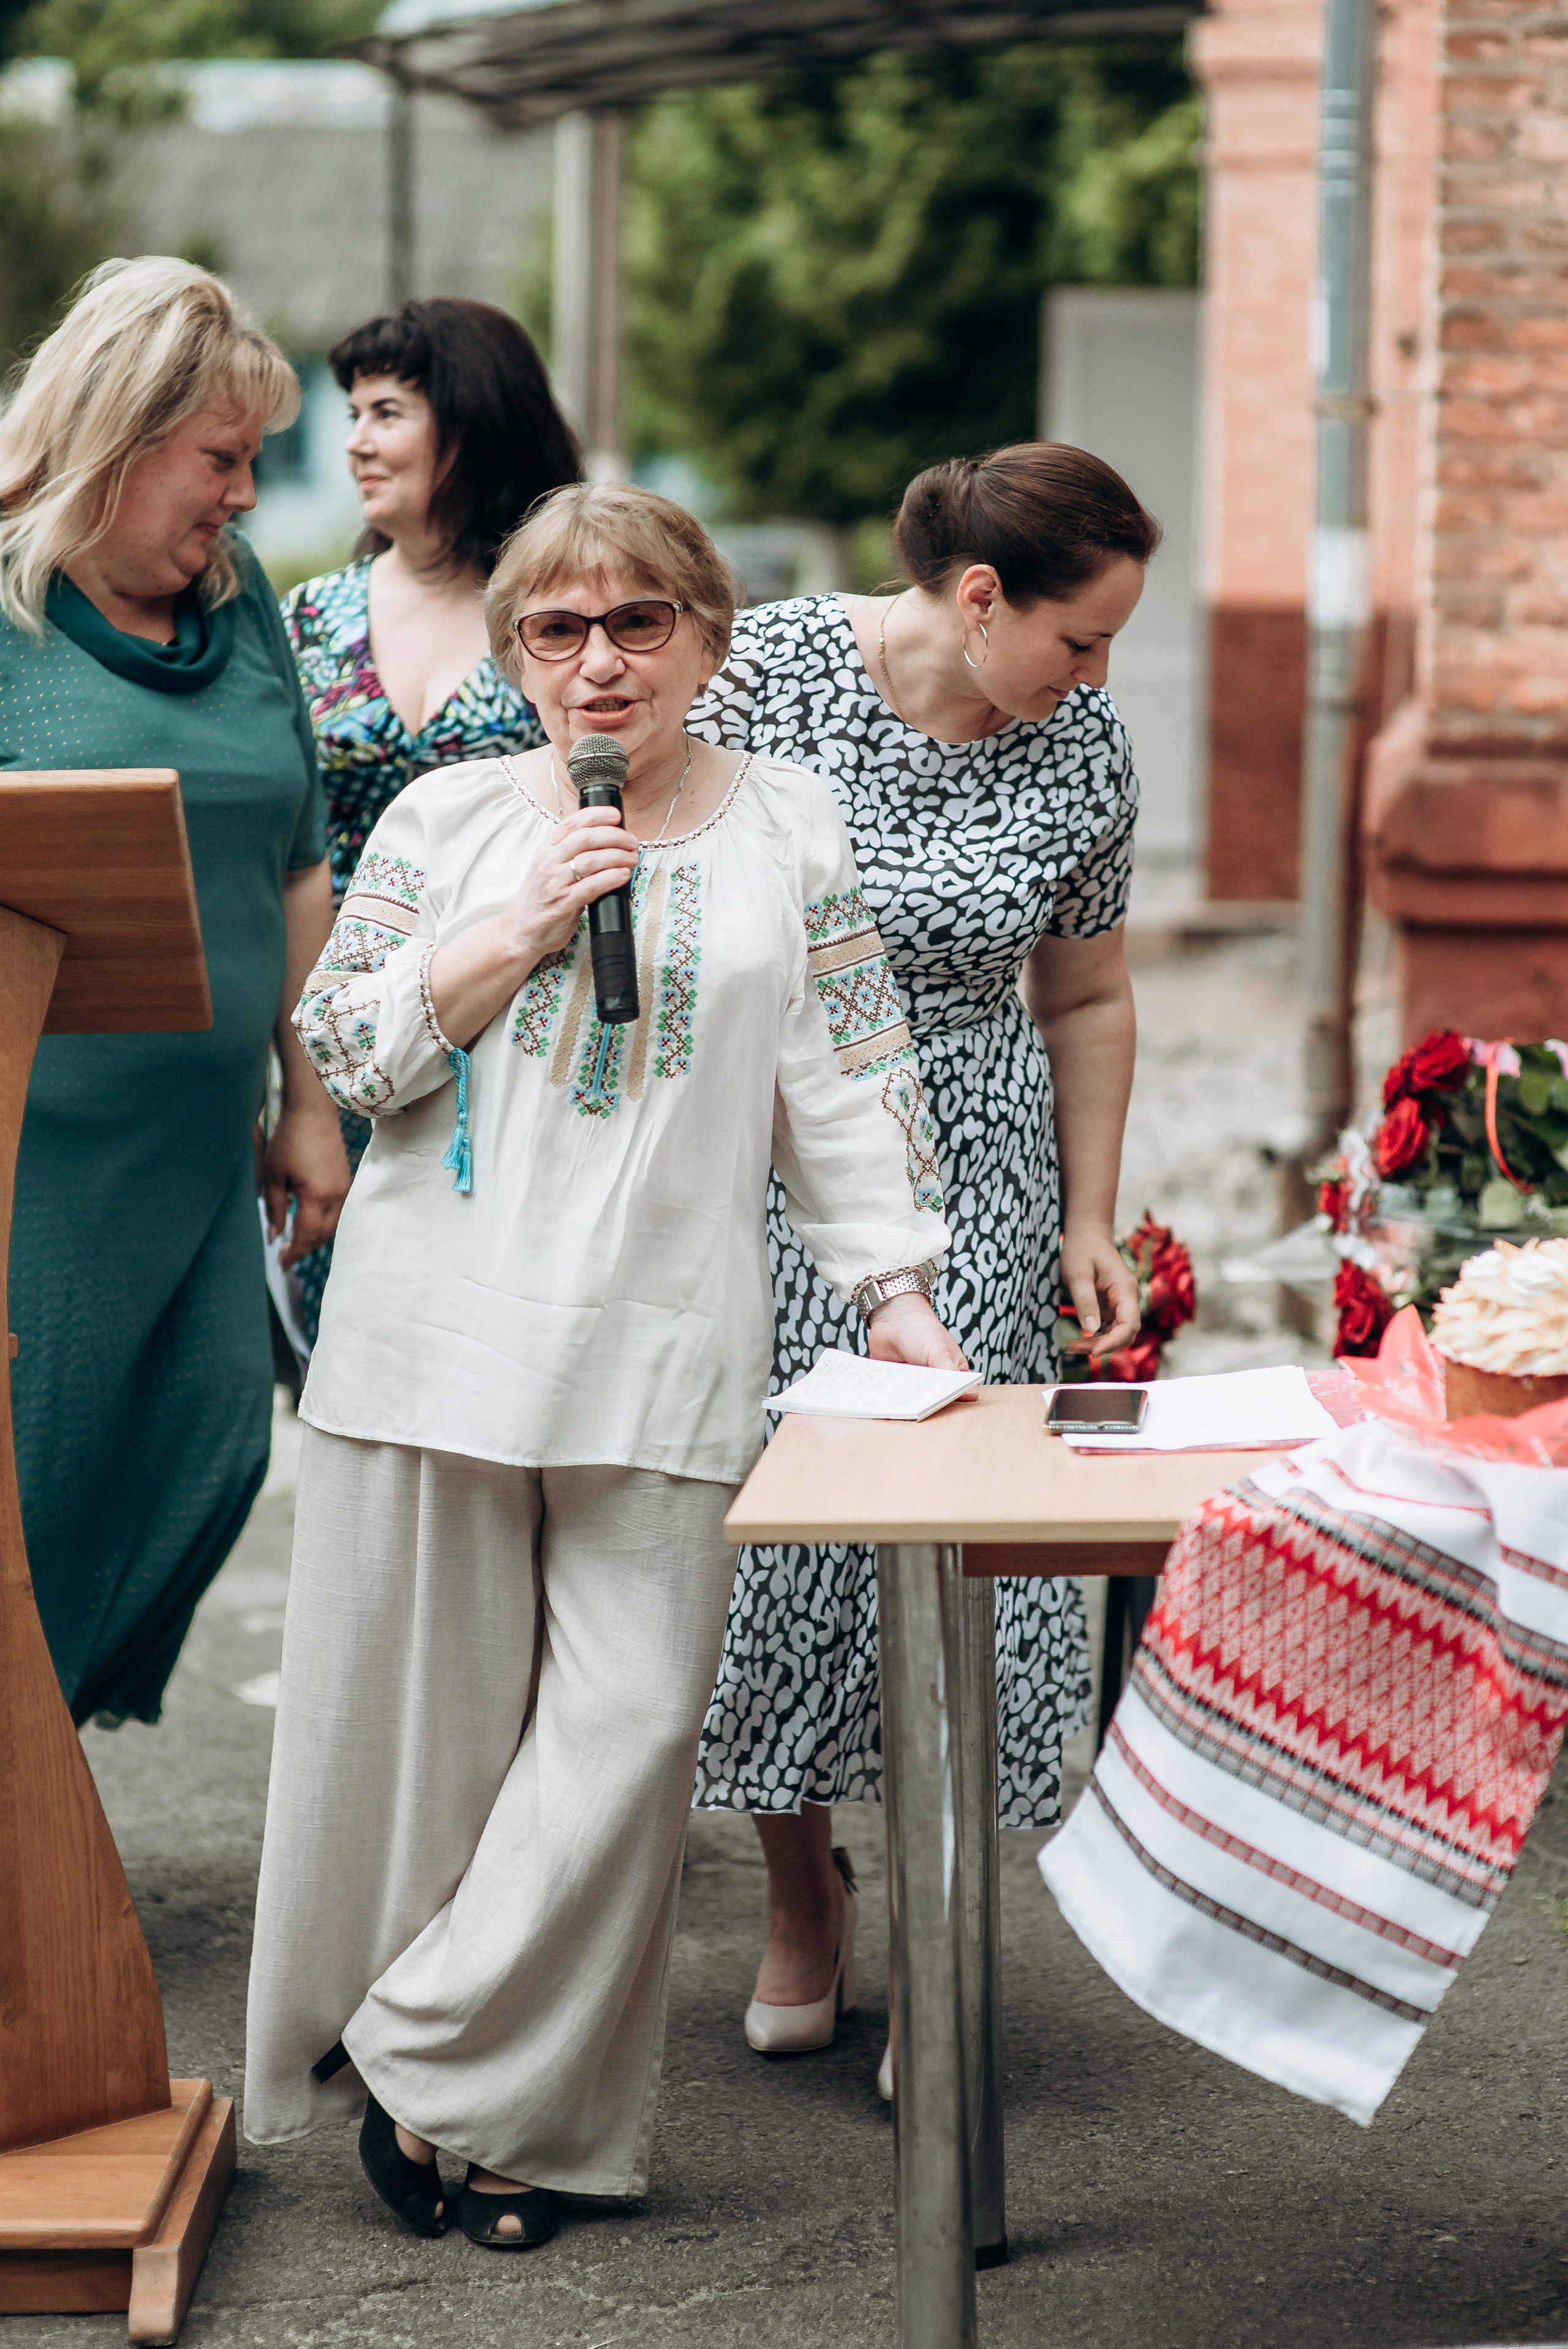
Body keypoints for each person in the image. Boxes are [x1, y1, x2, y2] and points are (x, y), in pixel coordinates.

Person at [243, 483, 961, 2250]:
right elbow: (344, 1044)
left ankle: (417, 2062)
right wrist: (512, 929)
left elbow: (849, 1075)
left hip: (661, 1345)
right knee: (437, 1755)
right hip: (435, 1345)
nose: (601, 661)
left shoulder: (792, 822)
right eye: (559, 629)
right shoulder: (444, 818)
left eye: (640, 622)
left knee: (631, 1733)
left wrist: (899, 1287)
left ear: (709, 636)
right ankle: (527, 2136)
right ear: (516, 658)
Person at [685, 441, 1156, 2067]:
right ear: (977, 597)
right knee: (780, 1548)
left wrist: (1089, 1217)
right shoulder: (774, 674)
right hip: (770, 1142)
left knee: (963, 1544)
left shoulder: (1083, 748)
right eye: (1078, 638)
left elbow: (1086, 995)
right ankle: (803, 1890)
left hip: (986, 1164)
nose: (1097, 674)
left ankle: (938, 1932)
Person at [0, 256, 349, 1727]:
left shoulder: (241, 596)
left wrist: (310, 1098)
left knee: (210, 1452)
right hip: (37, 1152)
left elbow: (297, 856)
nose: (247, 496)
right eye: (222, 458)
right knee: (38, 1475)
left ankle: (38, 1769)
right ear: (120, 437)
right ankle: (33, 1805)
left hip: (204, 1146)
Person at [281, 298, 581, 1342]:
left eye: (387, 411)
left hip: (533, 1027)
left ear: (473, 417)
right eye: (352, 413)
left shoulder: (562, 610)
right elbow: (286, 857)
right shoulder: (307, 618)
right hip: (356, 1032)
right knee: (358, 1353)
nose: (357, 441)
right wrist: (303, 1097)